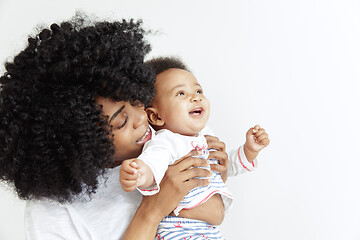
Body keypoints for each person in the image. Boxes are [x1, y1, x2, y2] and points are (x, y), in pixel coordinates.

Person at [0, 15, 231, 240]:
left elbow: (216, 213)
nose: (142, 118)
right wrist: (151, 211)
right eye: (121, 122)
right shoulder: (53, 211)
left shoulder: (163, 138)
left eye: (138, 100)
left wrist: (213, 172)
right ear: (82, 142)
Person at [119, 57, 270, 239]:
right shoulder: (166, 141)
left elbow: (227, 166)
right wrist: (139, 172)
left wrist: (249, 151)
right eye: (181, 93)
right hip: (178, 229)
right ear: (156, 117)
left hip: (208, 231)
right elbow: (154, 162)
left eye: (198, 90)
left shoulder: (207, 137)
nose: (195, 97)